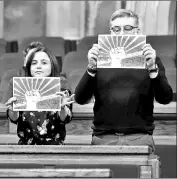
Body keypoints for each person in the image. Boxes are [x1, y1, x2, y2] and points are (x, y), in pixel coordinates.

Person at [74, 9, 173, 152]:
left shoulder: (150, 59)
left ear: (137, 32)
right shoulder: (100, 60)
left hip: (140, 137)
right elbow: (80, 98)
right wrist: (91, 67)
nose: (121, 33)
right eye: (116, 29)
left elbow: (165, 98)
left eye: (127, 28)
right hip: (104, 138)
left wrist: (152, 68)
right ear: (111, 32)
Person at [4, 46, 74, 145]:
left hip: (54, 147)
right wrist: (12, 110)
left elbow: (65, 119)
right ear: (29, 68)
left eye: (44, 63)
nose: (38, 66)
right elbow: (15, 119)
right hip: (25, 146)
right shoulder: (21, 87)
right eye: (34, 63)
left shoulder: (61, 85)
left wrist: (62, 108)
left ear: (52, 66)